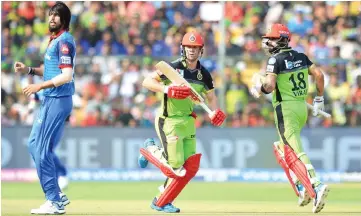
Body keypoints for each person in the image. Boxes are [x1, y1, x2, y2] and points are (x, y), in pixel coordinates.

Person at [138, 31, 226, 213]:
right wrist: (167, 89)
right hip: (168, 120)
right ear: (183, 48)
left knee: (189, 168)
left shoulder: (205, 74)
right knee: (175, 166)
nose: (191, 51)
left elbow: (211, 97)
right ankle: (150, 149)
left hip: (188, 122)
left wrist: (214, 111)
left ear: (201, 50)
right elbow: (147, 82)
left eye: (195, 47)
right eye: (188, 47)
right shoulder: (173, 68)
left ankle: (162, 200)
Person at [250, 23, 330, 213]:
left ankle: (316, 186)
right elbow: (318, 74)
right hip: (301, 108)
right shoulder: (301, 56)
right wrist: (319, 99)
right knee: (281, 148)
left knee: (296, 151)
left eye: (272, 38)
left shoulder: (275, 60)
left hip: (285, 109)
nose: (268, 42)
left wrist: (258, 89)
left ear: (283, 39)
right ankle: (300, 186)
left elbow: (269, 86)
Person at [14, 2, 75, 214]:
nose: (51, 18)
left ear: (64, 20)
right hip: (51, 99)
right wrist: (29, 70)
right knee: (34, 145)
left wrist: (39, 86)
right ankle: (56, 194)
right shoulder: (54, 40)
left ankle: (54, 200)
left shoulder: (65, 41)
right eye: (50, 14)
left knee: (40, 149)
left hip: (57, 99)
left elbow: (66, 75)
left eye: (56, 16)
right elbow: (50, 71)